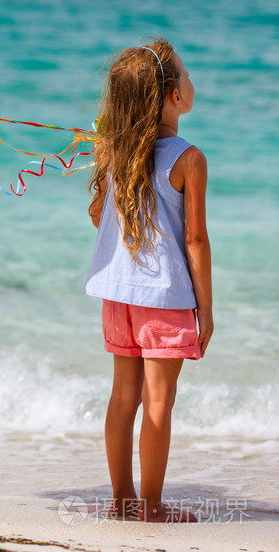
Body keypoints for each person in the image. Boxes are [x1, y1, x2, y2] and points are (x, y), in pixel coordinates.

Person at [85, 38, 213, 523]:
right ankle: (151, 508)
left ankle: (121, 502)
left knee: (123, 398)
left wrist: (107, 157)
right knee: (159, 400)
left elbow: (100, 218)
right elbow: (196, 241)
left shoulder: (118, 155)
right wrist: (206, 307)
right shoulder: (189, 158)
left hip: (118, 296)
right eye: (185, 73)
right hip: (165, 296)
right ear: (173, 97)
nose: (190, 80)